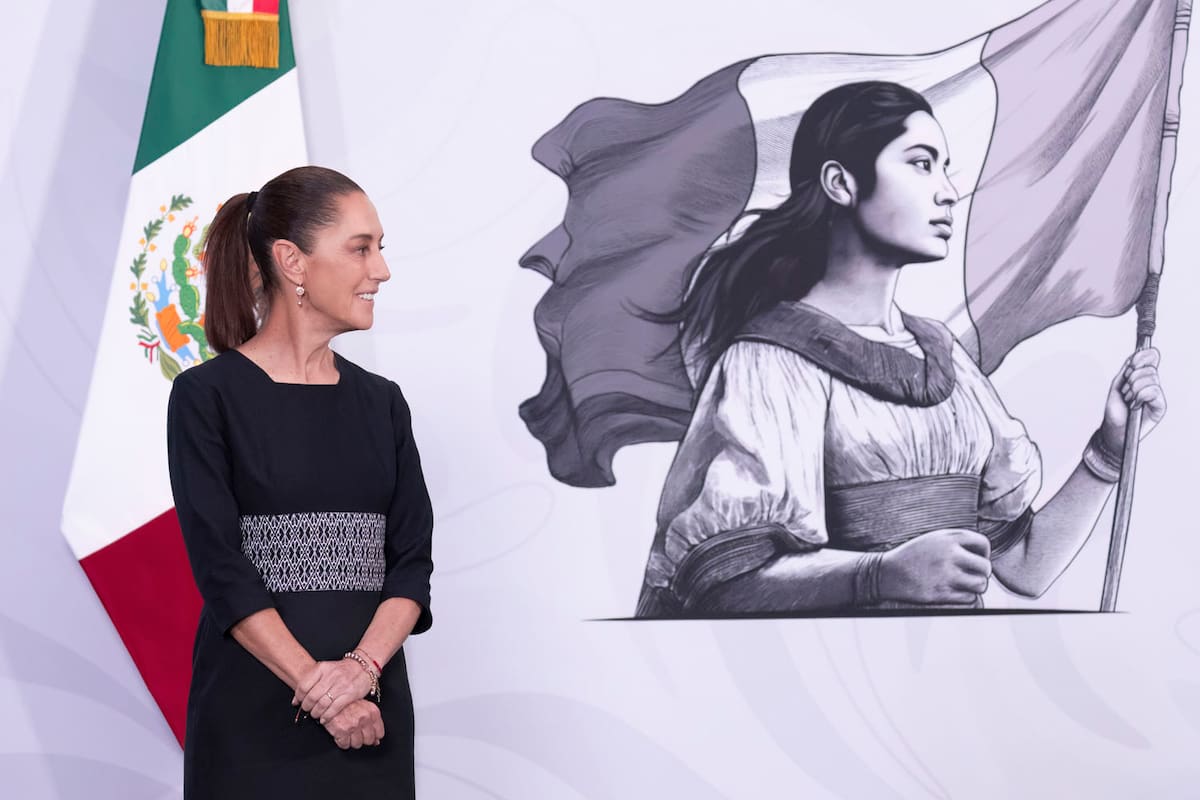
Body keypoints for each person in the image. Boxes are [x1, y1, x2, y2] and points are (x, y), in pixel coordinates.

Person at [635, 82, 1166, 616]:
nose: (947, 191)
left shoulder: (947, 359)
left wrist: (1111, 449)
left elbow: (1026, 567)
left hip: (949, 679)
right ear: (841, 184)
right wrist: (880, 575)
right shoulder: (771, 361)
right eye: (921, 163)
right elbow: (724, 586)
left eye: (944, 166)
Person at [166, 166, 434, 797]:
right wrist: (323, 690)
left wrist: (360, 674)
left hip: (374, 721)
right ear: (293, 261)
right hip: (252, 720)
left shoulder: (383, 403)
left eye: (380, 248)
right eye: (360, 248)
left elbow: (411, 564)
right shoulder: (206, 397)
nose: (381, 271)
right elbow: (222, 570)